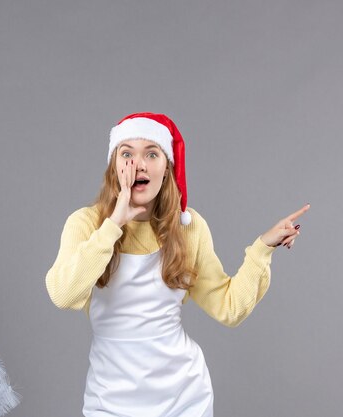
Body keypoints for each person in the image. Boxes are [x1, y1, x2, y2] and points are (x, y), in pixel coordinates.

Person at [45, 112, 310, 417]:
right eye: (127, 153)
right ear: (115, 166)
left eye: (152, 153)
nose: (138, 164)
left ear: (167, 167)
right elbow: (63, 295)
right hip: (110, 400)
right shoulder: (86, 223)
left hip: (183, 399)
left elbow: (229, 308)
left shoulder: (189, 226)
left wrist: (263, 249)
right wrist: (114, 222)